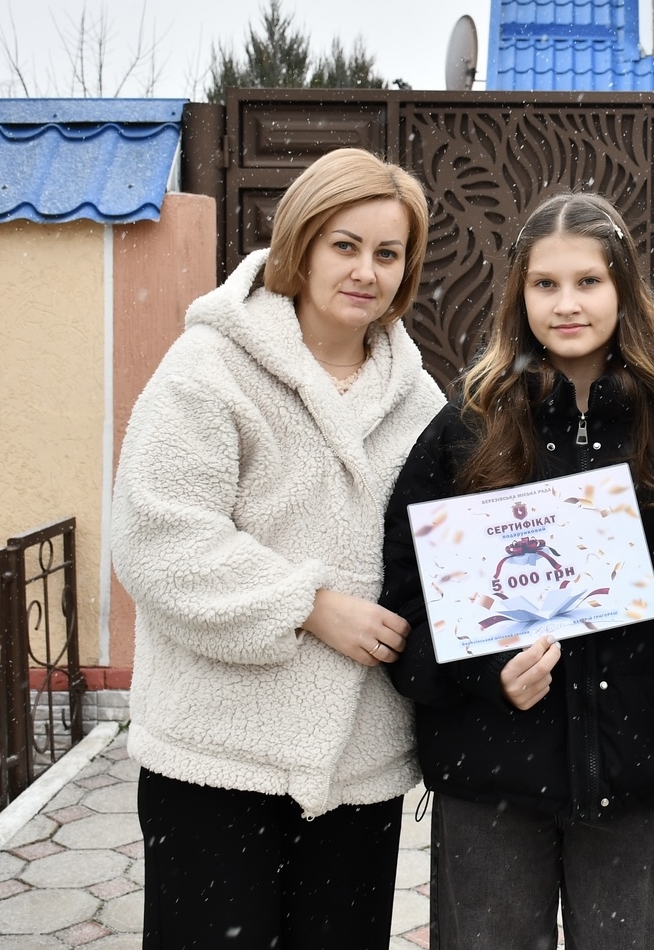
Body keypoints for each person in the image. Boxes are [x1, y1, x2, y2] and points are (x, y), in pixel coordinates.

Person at [381, 193, 654, 950]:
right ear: (518, 295)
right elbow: (406, 602)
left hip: (641, 774)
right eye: (545, 284)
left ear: (623, 289)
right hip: (491, 779)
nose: (566, 304)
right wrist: (486, 673)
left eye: (588, 281)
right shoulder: (466, 427)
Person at [112, 148, 446, 949]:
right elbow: (159, 536)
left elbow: (448, 552)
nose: (365, 270)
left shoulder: (420, 401)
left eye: (388, 253)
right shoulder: (209, 366)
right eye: (344, 244)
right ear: (301, 241)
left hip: (359, 765)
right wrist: (307, 606)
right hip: (215, 753)